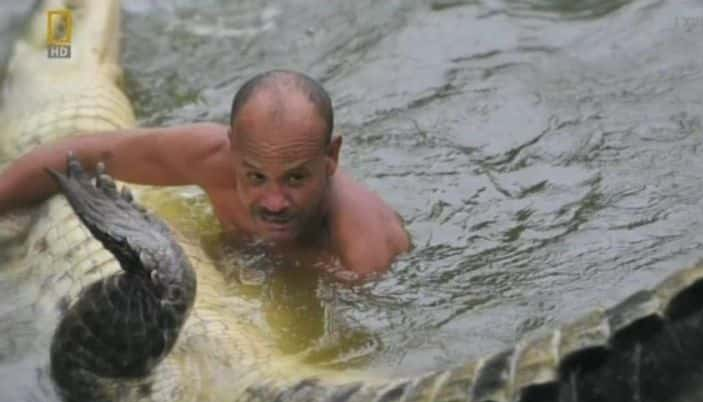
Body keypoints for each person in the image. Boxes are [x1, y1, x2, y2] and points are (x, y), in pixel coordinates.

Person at [0, 70, 412, 280]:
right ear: (232, 149)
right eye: (255, 177)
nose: (273, 202)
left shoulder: (363, 253)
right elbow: (78, 155)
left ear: (332, 158)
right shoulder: (211, 157)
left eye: (296, 178)